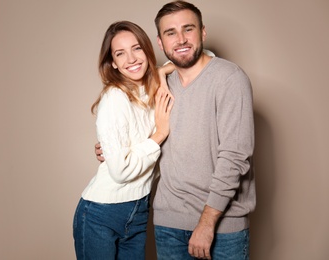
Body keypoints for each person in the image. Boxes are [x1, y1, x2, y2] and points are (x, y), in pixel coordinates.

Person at [96, 1, 256, 259]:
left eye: (188, 29)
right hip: (169, 223)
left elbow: (235, 157)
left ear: (202, 32)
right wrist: (116, 150)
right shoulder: (159, 85)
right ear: (160, 43)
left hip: (222, 226)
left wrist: (206, 223)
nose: (180, 39)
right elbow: (146, 133)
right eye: (171, 33)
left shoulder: (229, 78)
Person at [72, 20, 174, 260]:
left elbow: (205, 54)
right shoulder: (115, 98)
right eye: (120, 53)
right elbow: (119, 171)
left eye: (137, 48)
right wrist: (159, 135)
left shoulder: (153, 87)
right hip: (101, 214)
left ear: (148, 51)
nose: (131, 59)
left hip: (139, 210)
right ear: (113, 64)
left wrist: (160, 71)